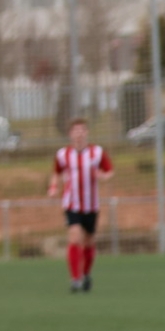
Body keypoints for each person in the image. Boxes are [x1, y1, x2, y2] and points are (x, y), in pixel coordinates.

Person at [48, 118, 115, 292]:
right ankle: (75, 279)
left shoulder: (97, 152)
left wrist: (103, 176)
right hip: (72, 204)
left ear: (87, 132)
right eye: (75, 131)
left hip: (91, 206)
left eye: (82, 130)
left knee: (89, 242)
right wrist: (53, 187)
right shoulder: (63, 154)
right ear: (70, 134)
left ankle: (85, 273)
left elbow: (109, 171)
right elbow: (56, 173)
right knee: (74, 237)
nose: (79, 134)